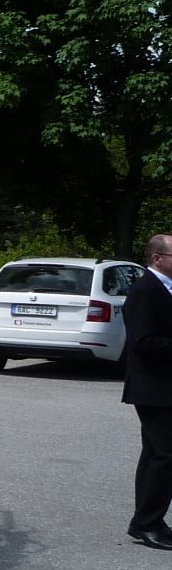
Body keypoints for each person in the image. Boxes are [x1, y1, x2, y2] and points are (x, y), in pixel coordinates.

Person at [123, 233, 172, 549]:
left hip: (164, 386)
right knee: (166, 455)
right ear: (158, 258)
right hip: (153, 387)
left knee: (156, 454)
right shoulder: (145, 290)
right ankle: (146, 523)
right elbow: (142, 340)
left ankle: (148, 520)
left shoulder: (164, 288)